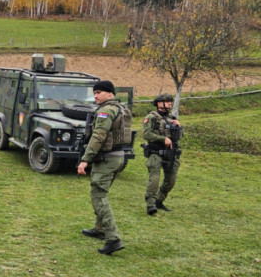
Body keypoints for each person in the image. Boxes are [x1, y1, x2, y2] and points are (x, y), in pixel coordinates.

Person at [77, 80, 132, 255]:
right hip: (118, 157)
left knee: (99, 195)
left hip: (107, 159)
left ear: (110, 93)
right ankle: (100, 229)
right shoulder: (121, 109)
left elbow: (98, 136)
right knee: (101, 193)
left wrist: (85, 159)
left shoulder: (106, 111)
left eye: (99, 92)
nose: (95, 95)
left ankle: (113, 238)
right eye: (94, 92)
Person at [142, 93, 182, 215]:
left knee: (171, 180)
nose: (170, 103)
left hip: (171, 153)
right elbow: (146, 134)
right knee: (154, 179)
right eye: (167, 101)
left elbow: (179, 137)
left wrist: (179, 127)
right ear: (159, 103)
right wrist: (162, 139)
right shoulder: (151, 117)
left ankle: (159, 201)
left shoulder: (172, 118)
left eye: (171, 101)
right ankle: (150, 204)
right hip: (156, 152)